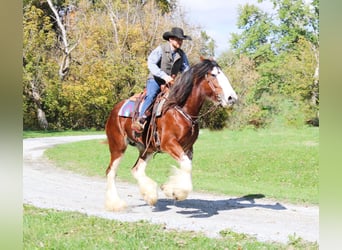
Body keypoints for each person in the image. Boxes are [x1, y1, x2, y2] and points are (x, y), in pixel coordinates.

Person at [132, 27, 192, 132]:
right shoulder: (161, 49)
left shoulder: (182, 55)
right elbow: (151, 63)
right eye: (178, 39)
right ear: (170, 39)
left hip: (171, 84)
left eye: (181, 40)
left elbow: (186, 70)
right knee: (151, 95)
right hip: (155, 80)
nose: (180, 42)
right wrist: (164, 76)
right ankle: (141, 120)